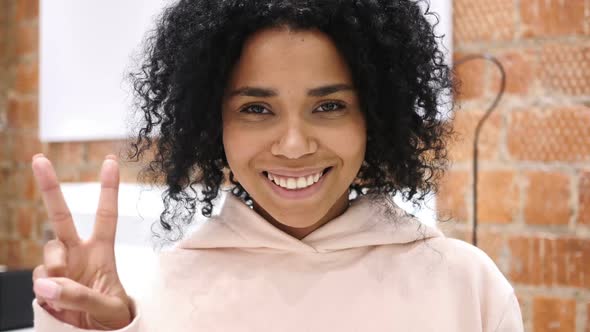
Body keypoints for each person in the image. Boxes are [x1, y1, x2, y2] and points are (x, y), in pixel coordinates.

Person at [30, 0, 524, 331]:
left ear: (373, 116)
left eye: (329, 106)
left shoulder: (466, 286)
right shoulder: (160, 296)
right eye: (256, 109)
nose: (292, 146)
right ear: (214, 121)